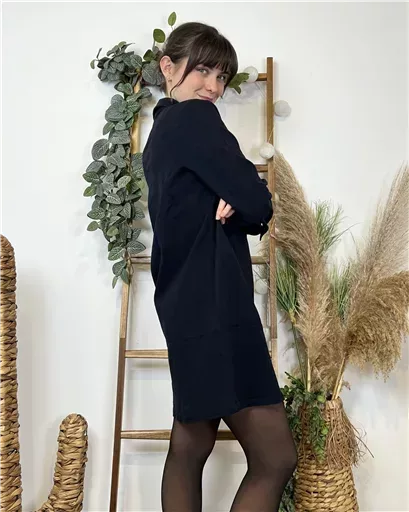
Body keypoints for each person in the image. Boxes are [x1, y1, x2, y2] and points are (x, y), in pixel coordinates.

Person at [142, 21, 297, 512]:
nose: (212, 86)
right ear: (168, 67)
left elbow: (241, 203)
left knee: (191, 443)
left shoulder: (160, 134)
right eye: (203, 70)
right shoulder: (196, 120)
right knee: (275, 457)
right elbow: (258, 201)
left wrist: (237, 196)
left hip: (183, 304)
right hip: (215, 305)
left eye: (221, 76)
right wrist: (242, 195)